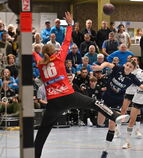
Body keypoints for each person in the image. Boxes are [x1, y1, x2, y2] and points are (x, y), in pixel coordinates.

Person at [32, 12, 129, 158]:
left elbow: (33, 53)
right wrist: (70, 25)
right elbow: (66, 41)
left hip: (53, 102)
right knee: (94, 103)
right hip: (68, 96)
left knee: (43, 132)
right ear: (53, 52)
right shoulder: (58, 58)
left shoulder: (40, 63)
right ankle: (114, 116)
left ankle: (34, 155)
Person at [91, 59, 143, 158]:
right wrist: (100, 67)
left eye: (131, 67)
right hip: (106, 98)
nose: (128, 68)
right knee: (100, 123)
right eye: (127, 65)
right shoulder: (118, 68)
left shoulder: (132, 78)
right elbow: (107, 64)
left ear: (133, 69)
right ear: (125, 65)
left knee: (111, 126)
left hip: (117, 102)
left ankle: (105, 150)